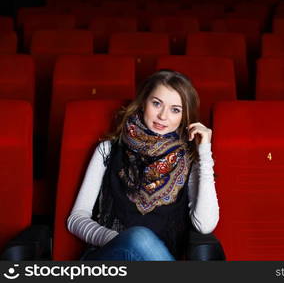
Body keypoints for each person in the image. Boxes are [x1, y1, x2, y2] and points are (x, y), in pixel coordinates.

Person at [67, 70, 219, 261]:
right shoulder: (107, 149)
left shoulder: (191, 158)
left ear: (184, 116)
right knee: (139, 237)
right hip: (109, 259)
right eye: (156, 104)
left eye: (175, 109)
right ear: (143, 102)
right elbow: (76, 219)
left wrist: (204, 152)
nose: (163, 116)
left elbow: (205, 225)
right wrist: (123, 240)